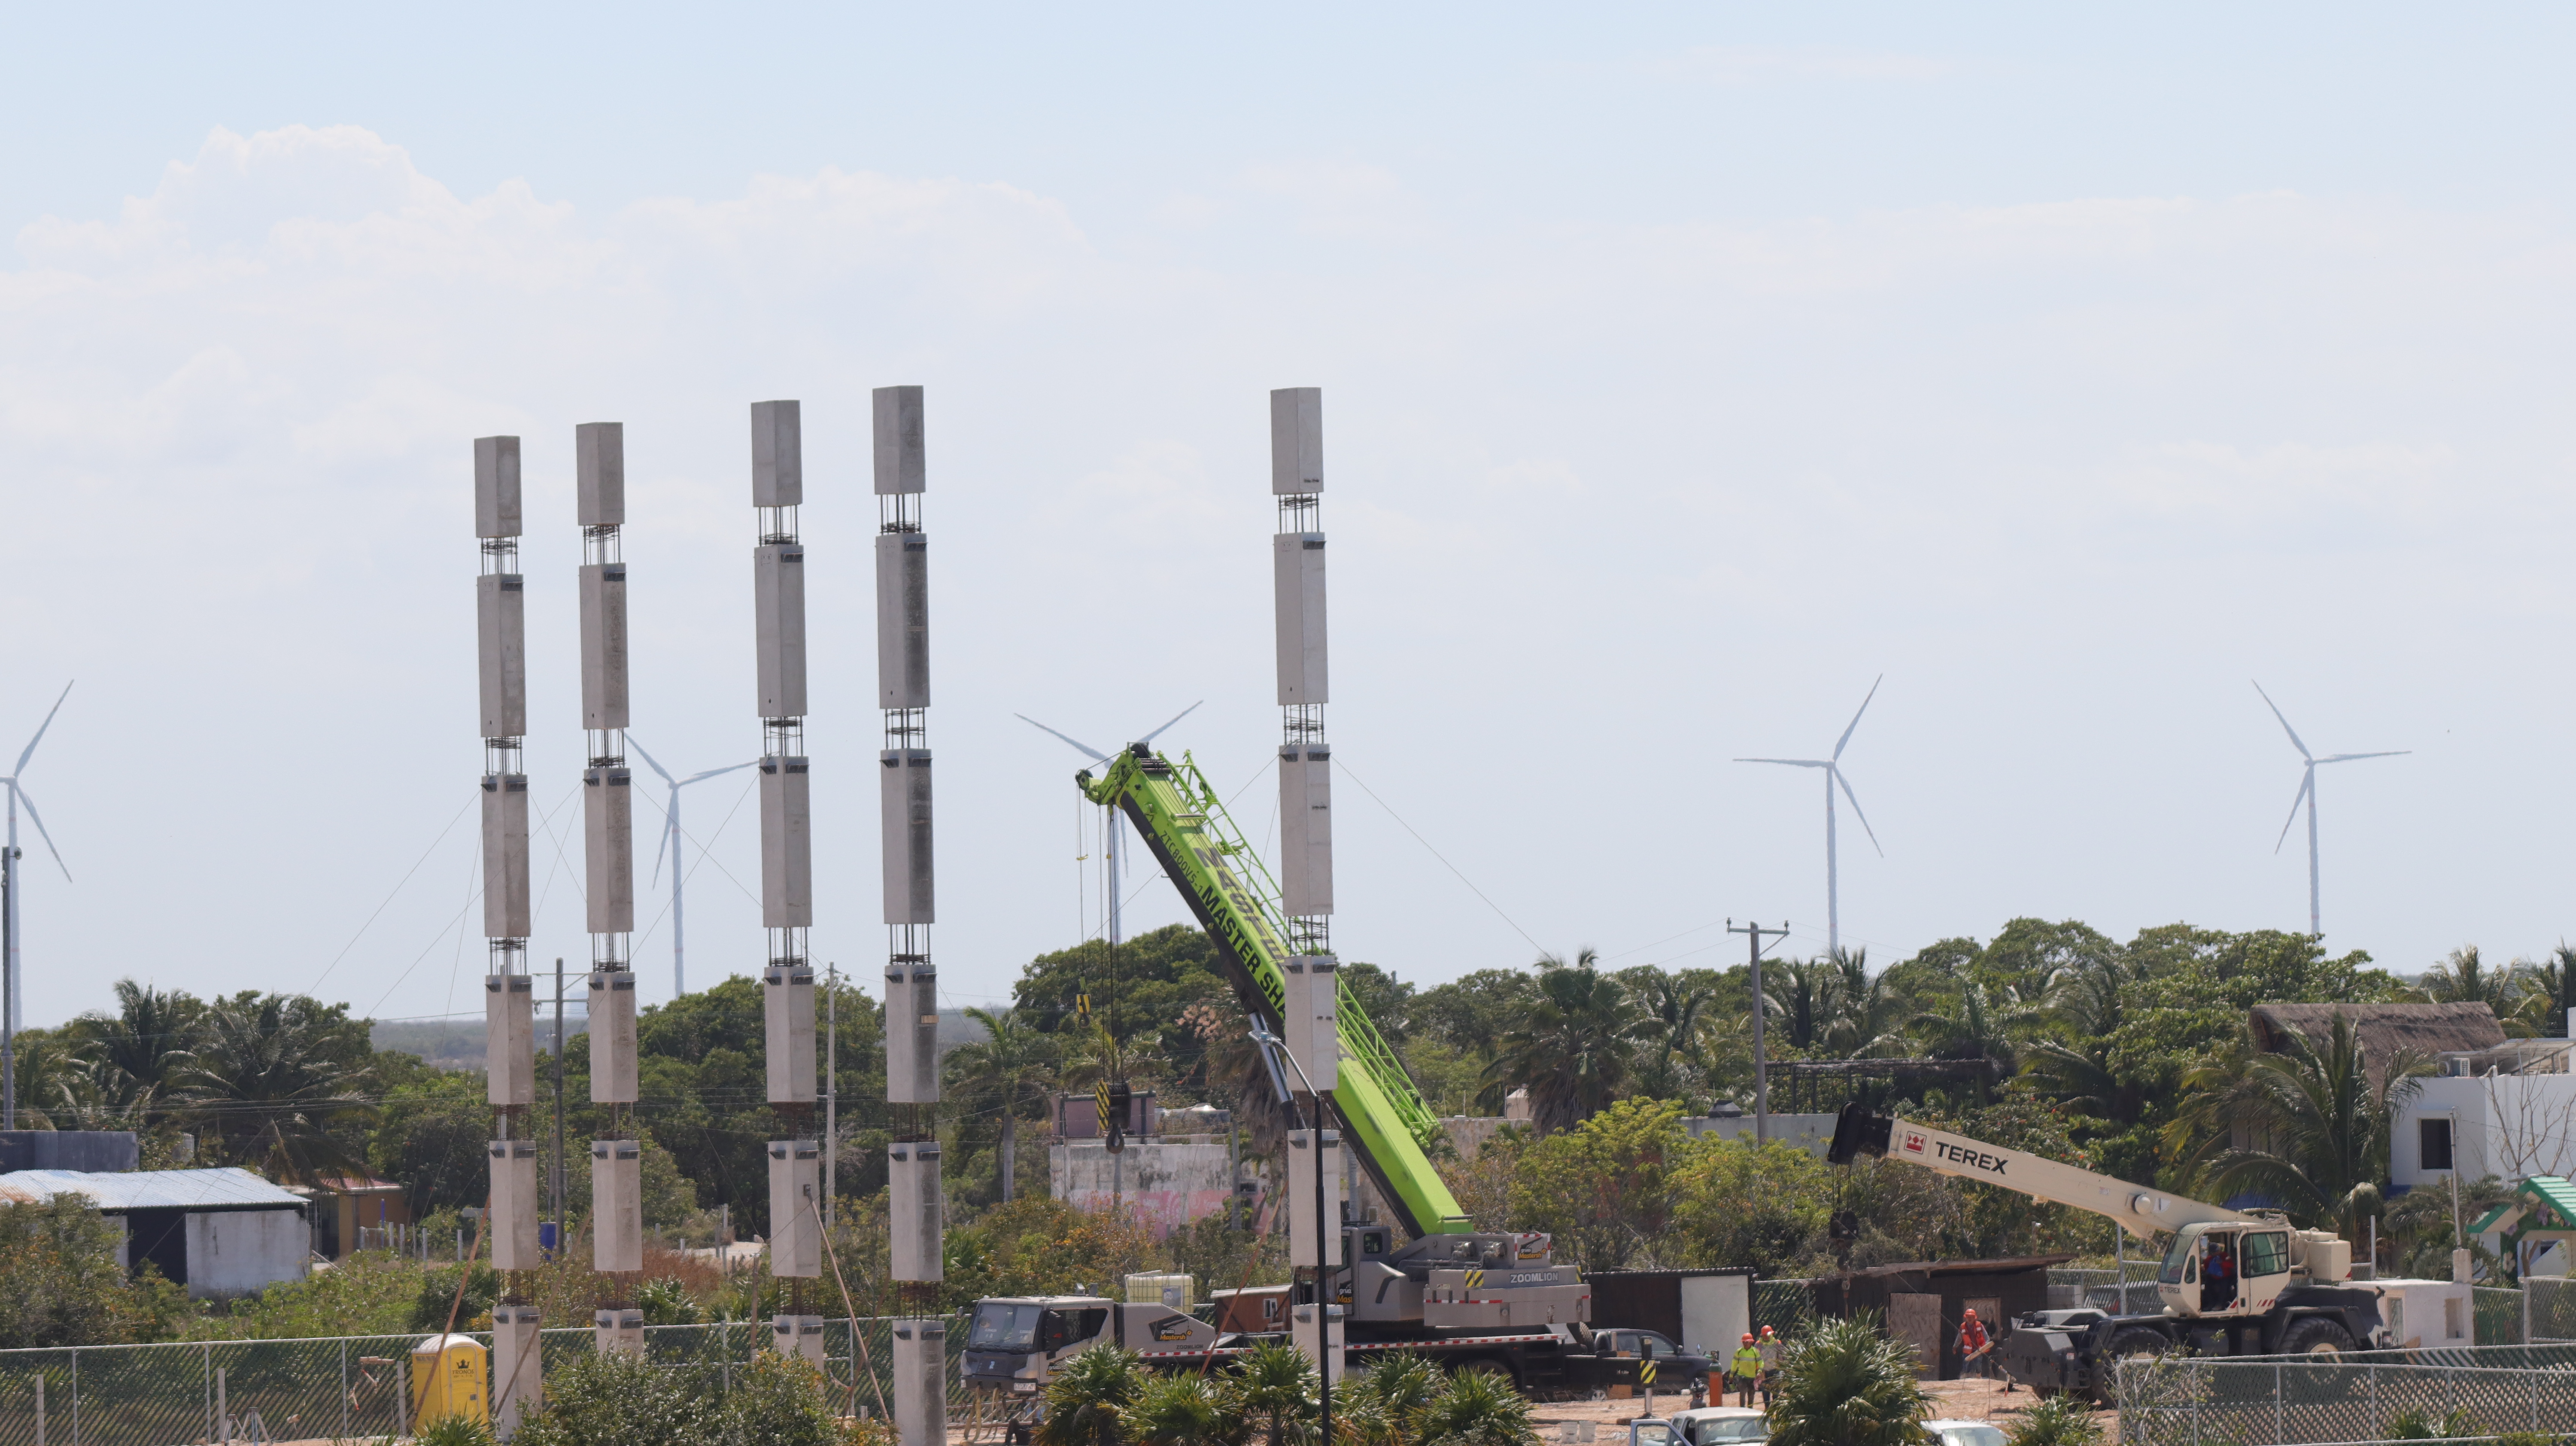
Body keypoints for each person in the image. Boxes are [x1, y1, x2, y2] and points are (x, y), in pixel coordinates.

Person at [1956, 1307, 2002, 1388]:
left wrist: (1986, 1344)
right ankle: (1965, 1380)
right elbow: (1959, 1338)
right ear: (1966, 1317)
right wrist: (1955, 1346)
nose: (1970, 1319)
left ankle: (1978, 1379)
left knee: (1978, 1366)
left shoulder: (1979, 1325)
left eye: (1972, 1317)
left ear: (1975, 1318)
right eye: (1968, 1317)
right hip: (1967, 1350)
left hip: (1978, 1350)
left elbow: (1986, 1336)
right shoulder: (1963, 1326)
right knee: (1966, 1365)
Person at [1730, 1333, 1764, 1408]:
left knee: (1751, 1395)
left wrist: (1759, 1372)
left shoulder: (1755, 1352)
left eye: (1747, 1342)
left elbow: (1761, 1362)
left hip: (1752, 1377)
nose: (1745, 1343)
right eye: (1744, 1342)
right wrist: (1731, 1375)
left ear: (1751, 1342)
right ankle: (1742, 1409)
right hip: (1742, 1377)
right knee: (1742, 1393)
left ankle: (1750, 1410)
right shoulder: (1739, 1352)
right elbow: (1734, 1364)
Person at [1755, 1325, 1783, 1406]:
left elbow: (1781, 1356)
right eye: (1764, 1335)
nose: (1766, 1337)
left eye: (1767, 1335)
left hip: (1775, 1370)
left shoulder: (1777, 1343)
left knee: (1777, 1388)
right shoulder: (1759, 1345)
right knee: (1765, 1390)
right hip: (1764, 1371)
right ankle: (1767, 1408)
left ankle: (1775, 1404)